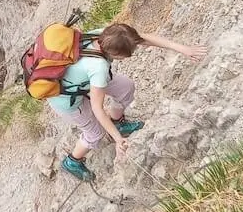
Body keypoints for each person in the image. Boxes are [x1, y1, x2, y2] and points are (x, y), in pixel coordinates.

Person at [46, 23, 207, 181]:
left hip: (80, 82)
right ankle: (72, 161)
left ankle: (117, 123)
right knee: (95, 133)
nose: (133, 52)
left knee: (125, 87)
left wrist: (183, 49)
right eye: (128, 54)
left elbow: (143, 38)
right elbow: (97, 108)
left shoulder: (104, 35)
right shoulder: (98, 67)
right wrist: (117, 139)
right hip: (67, 101)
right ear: (116, 54)